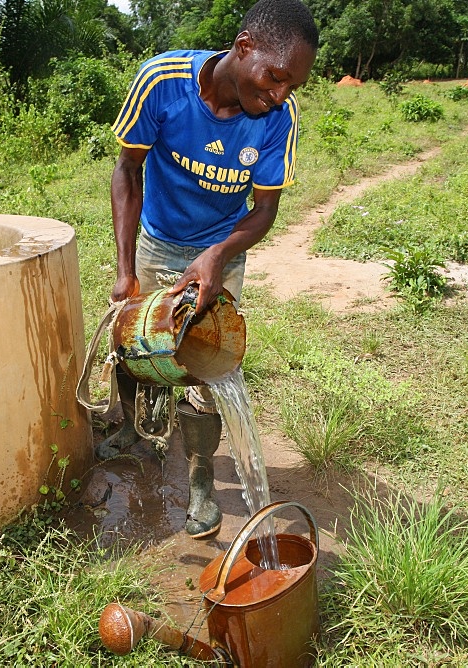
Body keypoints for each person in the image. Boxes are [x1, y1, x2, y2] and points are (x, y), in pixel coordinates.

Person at [98, 0, 319, 538]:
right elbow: (128, 171)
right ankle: (133, 430)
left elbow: (263, 211)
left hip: (221, 251)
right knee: (137, 345)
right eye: (274, 77)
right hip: (157, 241)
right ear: (244, 48)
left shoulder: (276, 121)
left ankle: (200, 481)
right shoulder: (163, 82)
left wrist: (217, 256)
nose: (280, 95)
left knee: (205, 368)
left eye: (293, 87)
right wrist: (126, 271)